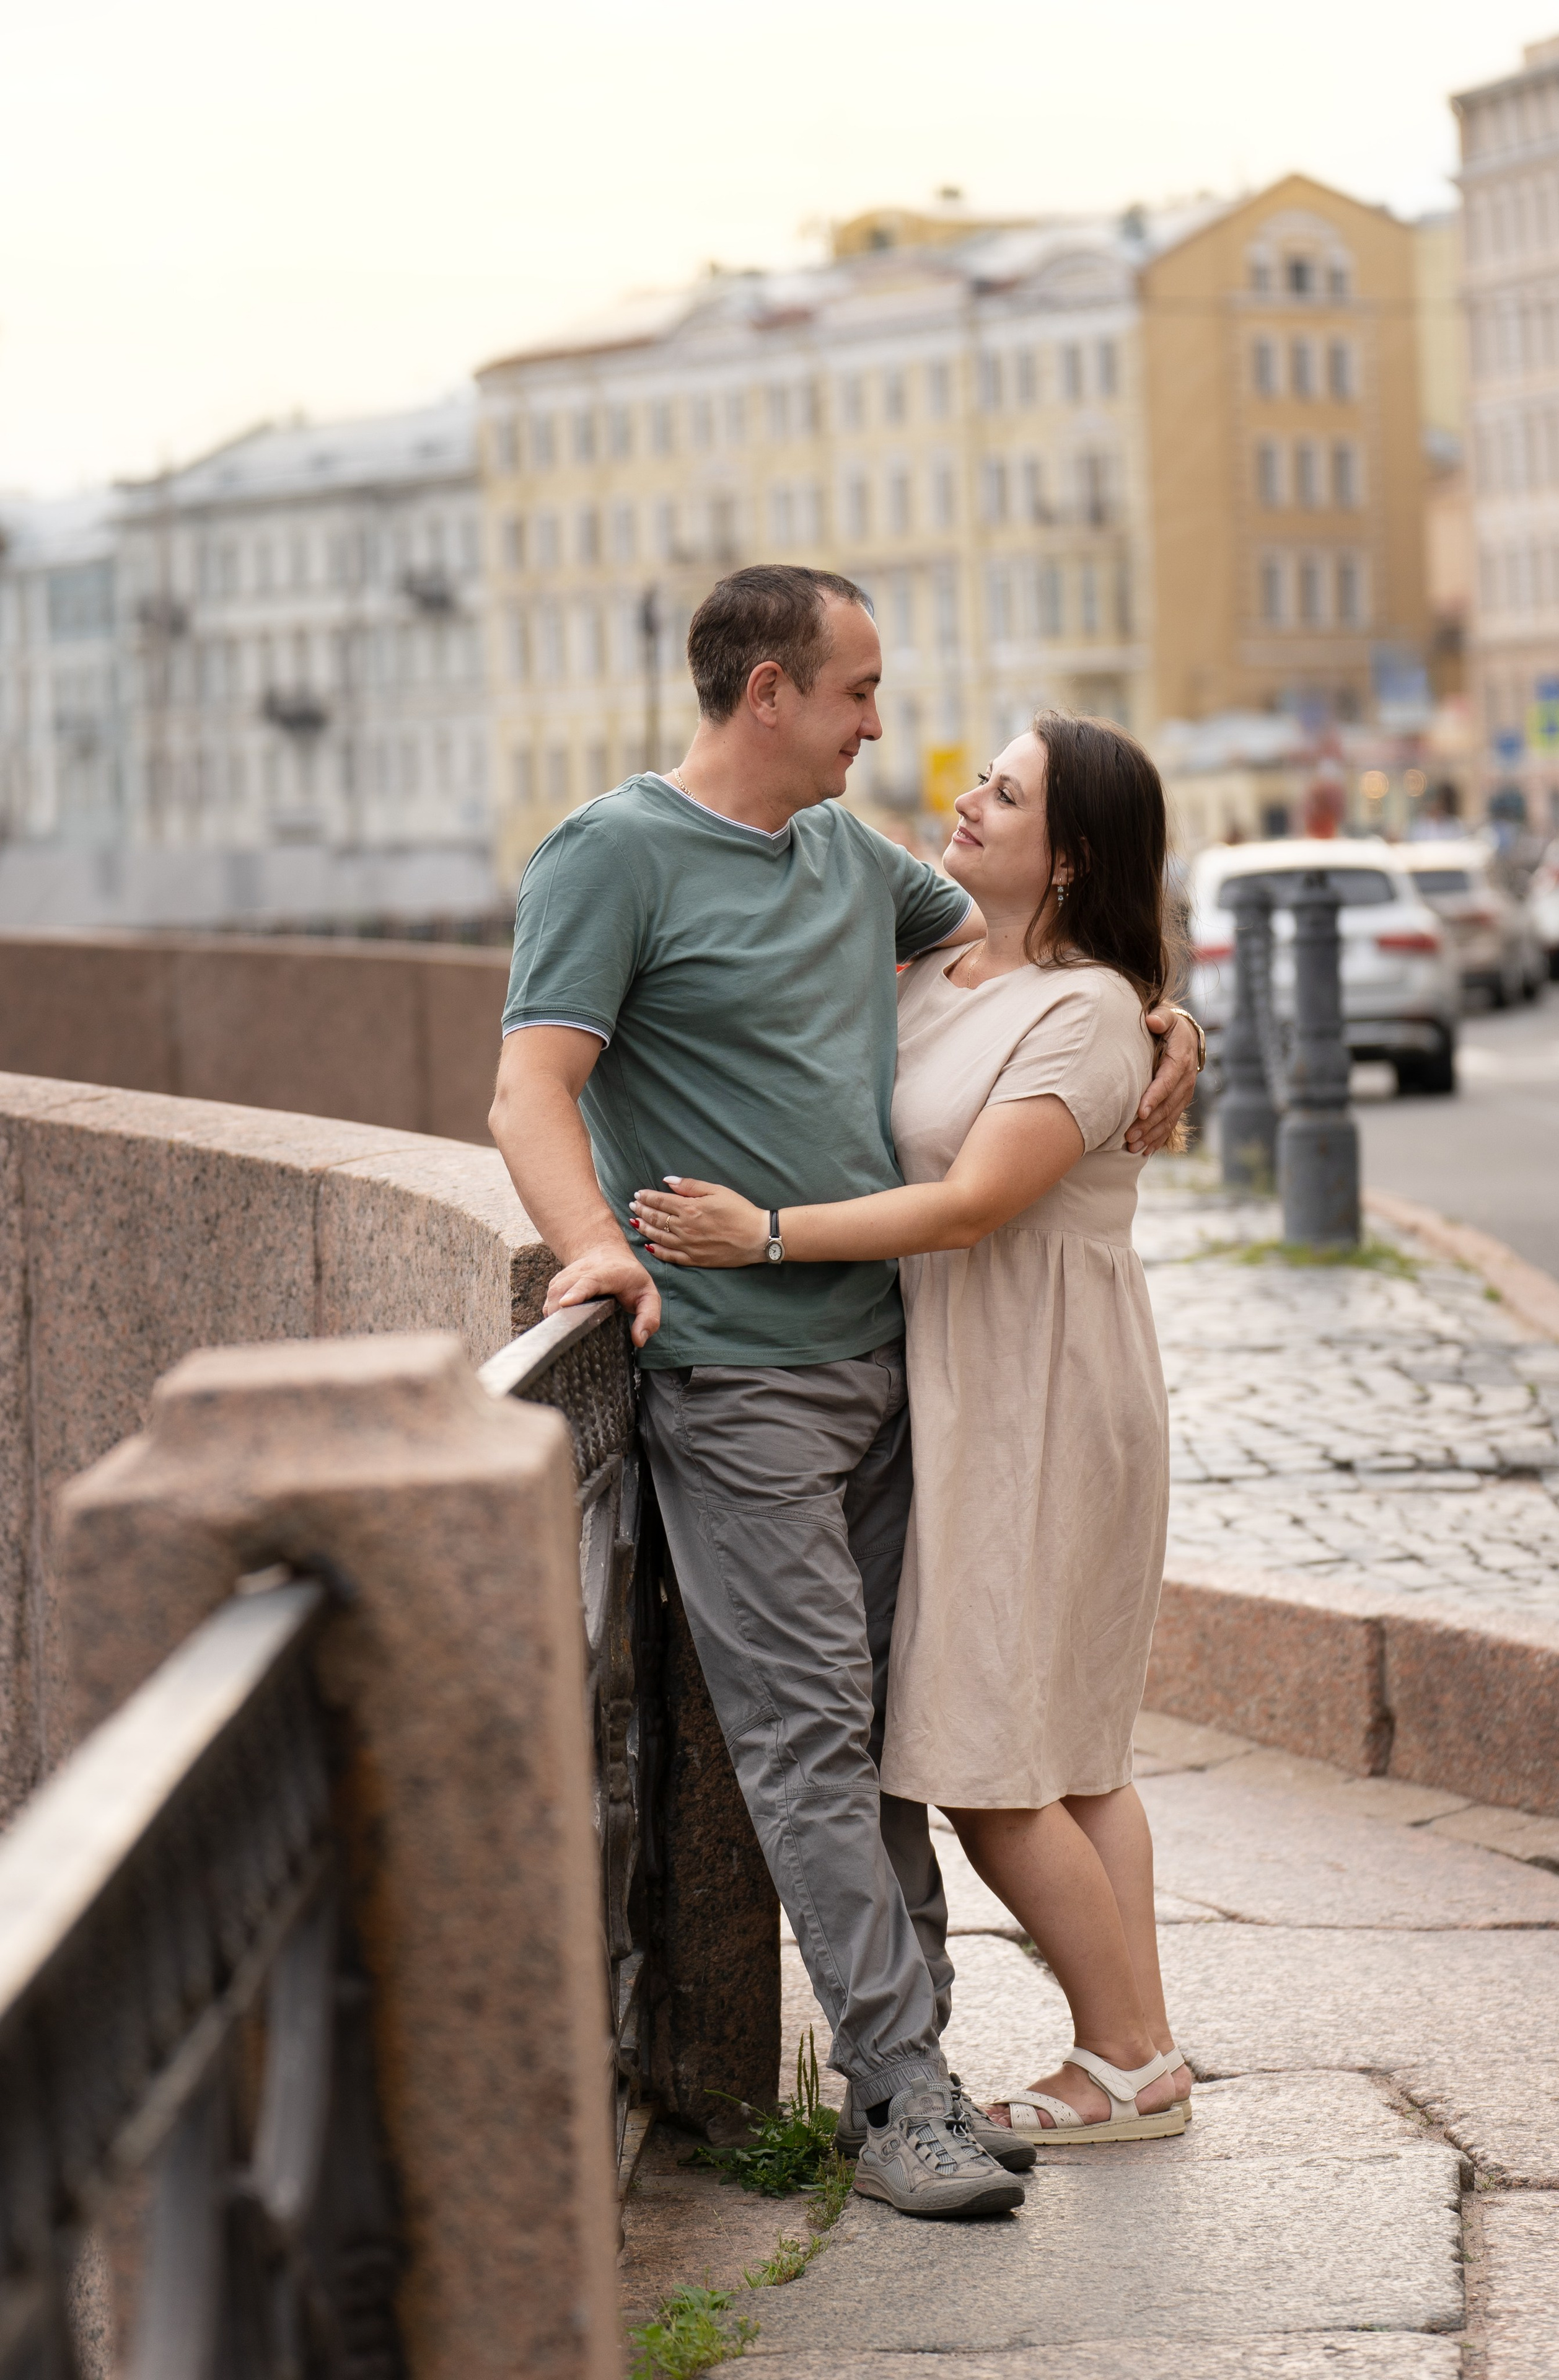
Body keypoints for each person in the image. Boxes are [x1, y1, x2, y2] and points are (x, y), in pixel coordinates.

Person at [489, 568, 1200, 2215]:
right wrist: (597, 1247)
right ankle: (902, 2100)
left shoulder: (841, 855)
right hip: (737, 1384)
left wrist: (1163, 1020)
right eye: (859, 690)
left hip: (894, 1372)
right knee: (811, 1744)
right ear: (769, 695)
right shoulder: (613, 855)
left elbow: (1037, 968)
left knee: (890, 1746)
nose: (886, 725)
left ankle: (929, 2061)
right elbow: (531, 1086)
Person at [630, 711, 1192, 2150]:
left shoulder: (1079, 1010)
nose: (965, 799)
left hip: (1041, 1398)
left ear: (1065, 857)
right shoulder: (944, 962)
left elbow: (968, 1204)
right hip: (968, 1381)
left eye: (1002, 794)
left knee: (989, 1763)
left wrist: (757, 1235)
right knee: (1069, 1755)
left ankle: (1125, 2058)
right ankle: (1138, 2057)